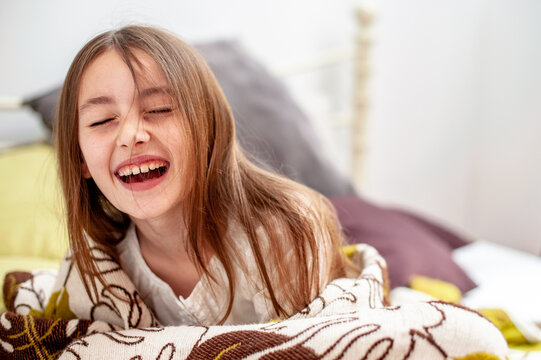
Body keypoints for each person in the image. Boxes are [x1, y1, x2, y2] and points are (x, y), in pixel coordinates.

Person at [55, 25, 351, 326]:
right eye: (103, 120)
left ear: (207, 128)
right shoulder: (89, 274)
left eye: (159, 109)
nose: (130, 135)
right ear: (80, 159)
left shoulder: (284, 232)